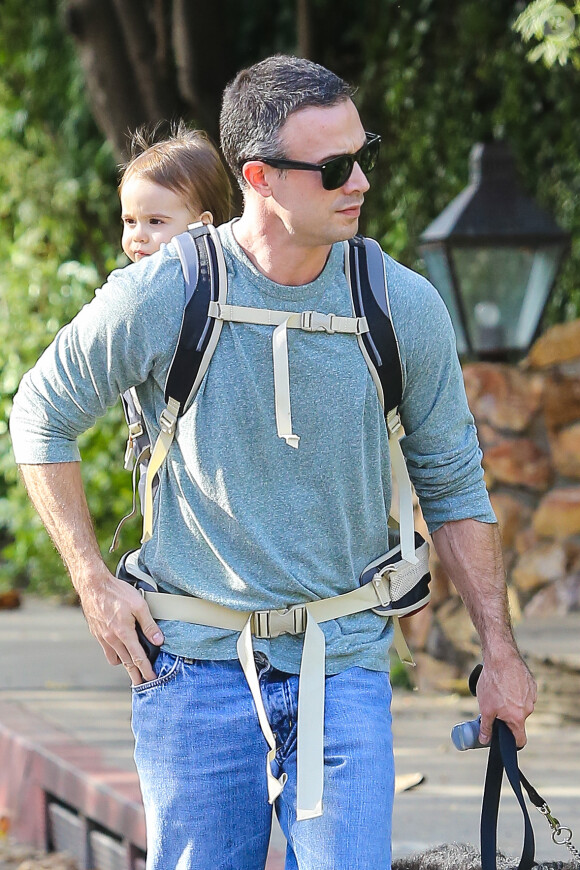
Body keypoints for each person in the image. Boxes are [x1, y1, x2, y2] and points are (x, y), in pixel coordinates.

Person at [10, 55, 536, 870]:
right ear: (258, 176)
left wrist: (499, 655)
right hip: (192, 672)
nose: (358, 180)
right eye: (333, 168)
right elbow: (41, 413)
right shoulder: (166, 292)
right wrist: (90, 579)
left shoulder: (400, 306)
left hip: (345, 669)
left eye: (363, 155)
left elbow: (455, 485)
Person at [117, 122, 232, 262]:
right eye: (130, 221)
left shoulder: (221, 280)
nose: (138, 236)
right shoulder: (136, 281)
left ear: (201, 227)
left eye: (155, 221)